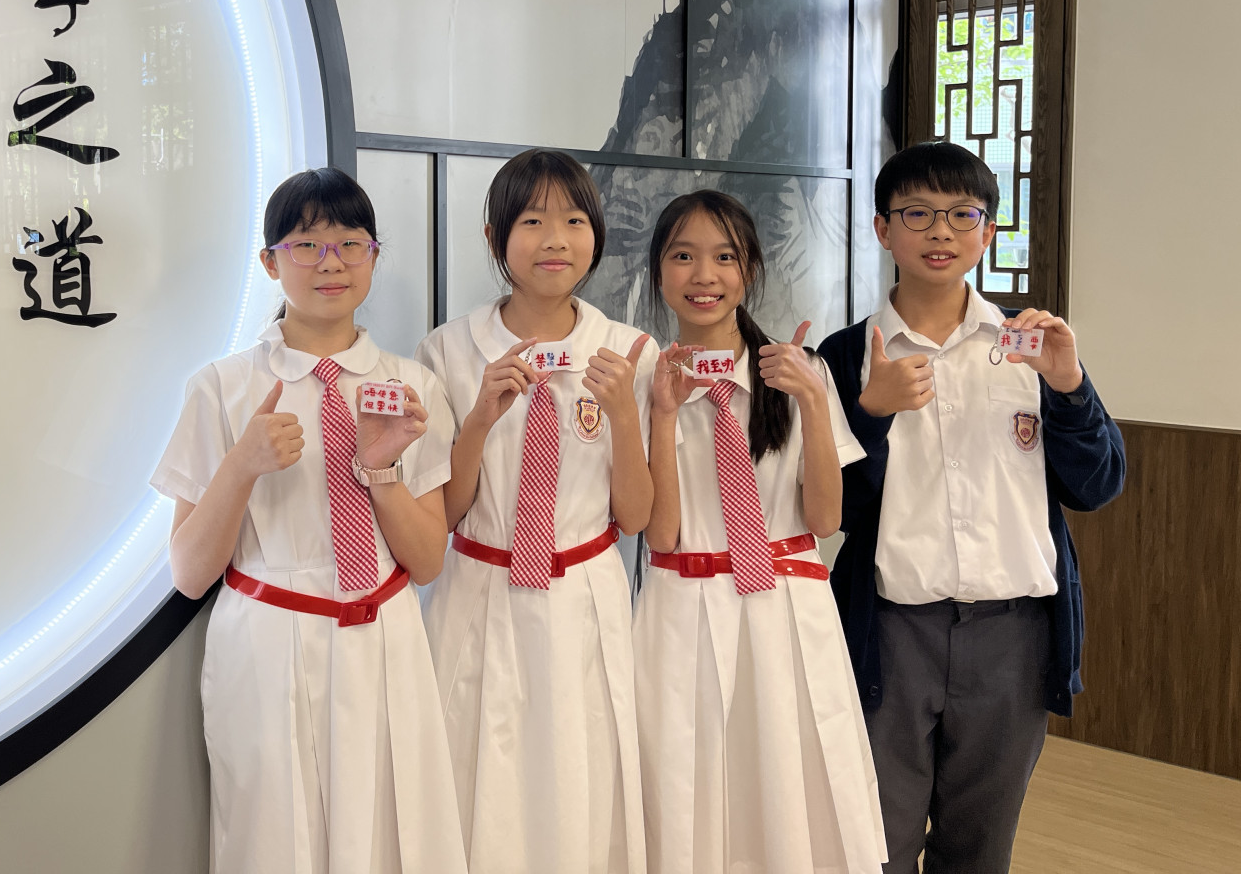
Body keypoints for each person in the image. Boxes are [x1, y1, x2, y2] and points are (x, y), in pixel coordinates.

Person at [817, 143, 1126, 873]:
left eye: (963, 214)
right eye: (917, 214)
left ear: (988, 231)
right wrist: (869, 413)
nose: (941, 232)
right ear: (882, 229)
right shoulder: (847, 353)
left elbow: (1097, 484)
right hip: (890, 633)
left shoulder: (1032, 344)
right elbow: (832, 511)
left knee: (980, 852)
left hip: (1012, 636)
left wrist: (1070, 388)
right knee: (874, 847)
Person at [152, 168, 466, 874]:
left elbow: (426, 562)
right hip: (268, 640)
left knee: (392, 835)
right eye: (307, 244)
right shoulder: (223, 388)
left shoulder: (411, 388)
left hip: (383, 635)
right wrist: (241, 466)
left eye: (351, 243)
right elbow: (190, 573)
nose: (332, 263)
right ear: (270, 262)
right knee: (273, 841)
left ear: (375, 257)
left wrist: (380, 471)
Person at [633, 189, 888, 874]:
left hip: (785, 607)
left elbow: (825, 520)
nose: (704, 276)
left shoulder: (799, 368)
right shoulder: (646, 377)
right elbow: (661, 535)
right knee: (687, 786)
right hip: (682, 604)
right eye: (682, 257)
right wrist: (663, 413)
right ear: (658, 270)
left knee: (785, 790)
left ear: (750, 269)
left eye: (725, 257)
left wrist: (811, 400)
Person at [417, 148, 657, 873]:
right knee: (472, 777)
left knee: (580, 778)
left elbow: (636, 518)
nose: (556, 240)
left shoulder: (628, 350)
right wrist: (479, 420)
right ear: (496, 237)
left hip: (583, 594)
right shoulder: (448, 350)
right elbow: (445, 513)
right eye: (532, 221)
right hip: (479, 589)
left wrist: (623, 415)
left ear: (597, 234)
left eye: (575, 221)